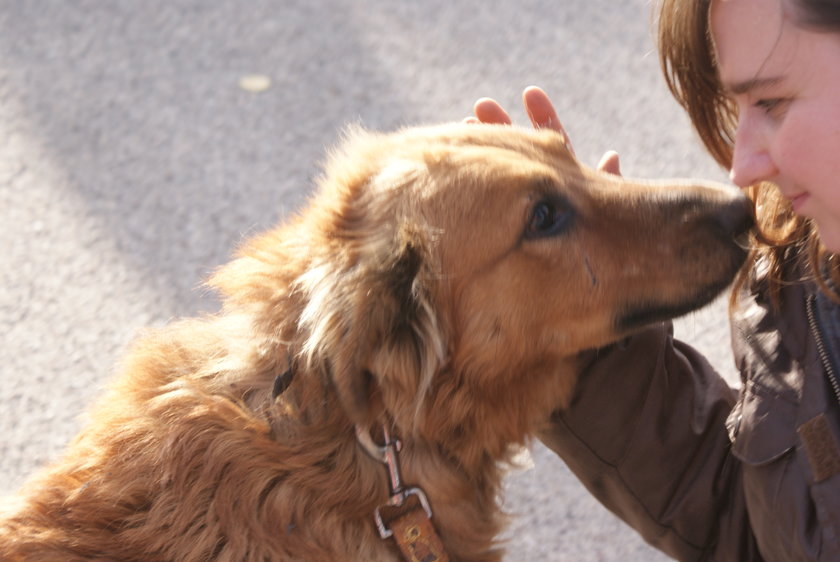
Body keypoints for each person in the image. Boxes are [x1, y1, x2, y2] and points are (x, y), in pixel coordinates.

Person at [472, 0, 840, 560]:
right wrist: (592, 339)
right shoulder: (796, 270)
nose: (742, 169)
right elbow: (771, 524)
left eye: (772, 101)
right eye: (736, 106)